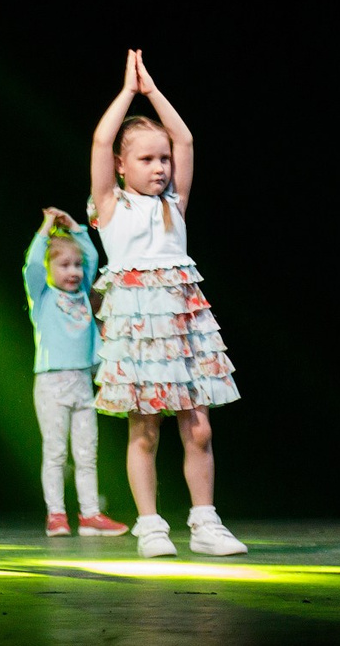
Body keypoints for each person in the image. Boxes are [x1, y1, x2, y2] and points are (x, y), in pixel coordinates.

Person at [88, 50, 245, 559]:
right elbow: (100, 139)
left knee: (198, 427)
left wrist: (153, 91)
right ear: (121, 166)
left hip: (182, 324)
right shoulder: (111, 206)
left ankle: (205, 522)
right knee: (145, 430)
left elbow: (186, 138)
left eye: (163, 160)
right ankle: (151, 525)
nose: (159, 166)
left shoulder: (173, 205)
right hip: (137, 329)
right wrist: (128, 94)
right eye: (146, 159)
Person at [24, 207, 125, 538]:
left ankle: (90, 515)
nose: (74, 271)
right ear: (51, 269)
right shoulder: (43, 297)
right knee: (55, 453)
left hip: (83, 383)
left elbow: (94, 257)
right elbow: (33, 265)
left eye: (76, 265)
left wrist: (76, 228)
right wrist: (46, 229)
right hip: (52, 383)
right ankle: (56, 515)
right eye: (65, 265)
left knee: (86, 453)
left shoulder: (83, 295)